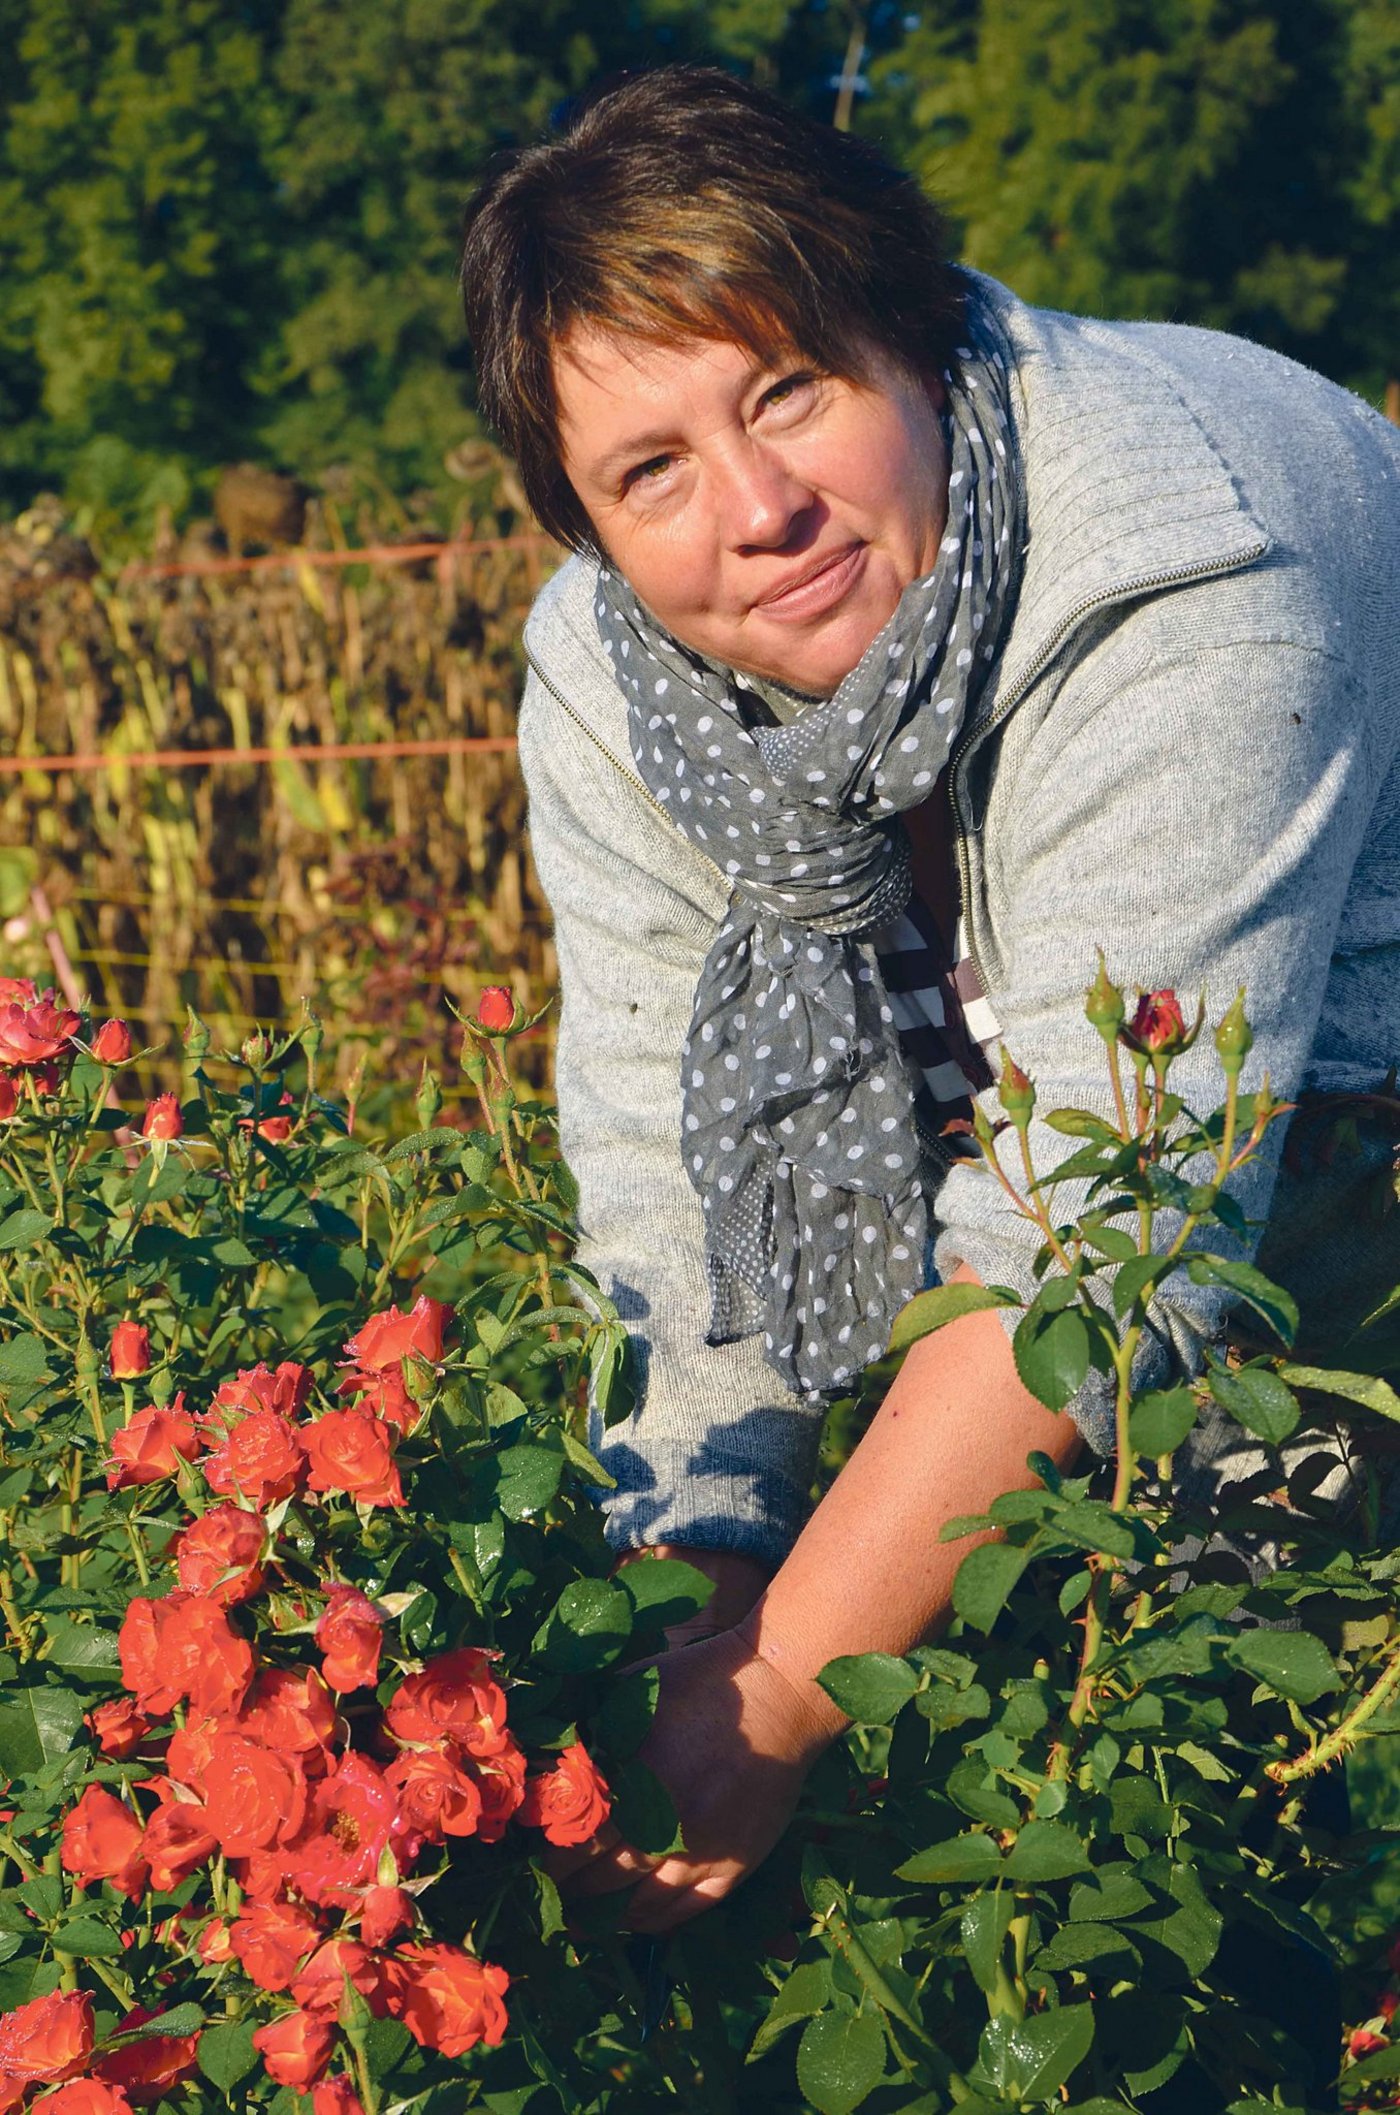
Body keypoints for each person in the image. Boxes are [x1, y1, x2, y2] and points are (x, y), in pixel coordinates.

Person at [458, 65, 1400, 1932]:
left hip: (1331, 1131)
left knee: (1250, 1769)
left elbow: (1116, 1229)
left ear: (905, 329)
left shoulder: (1182, 552)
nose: (758, 510)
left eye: (786, 389)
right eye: (650, 471)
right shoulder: (608, 668)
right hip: (1084, 1137)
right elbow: (665, 1151)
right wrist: (703, 1571)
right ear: (581, 522)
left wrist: (778, 1702)